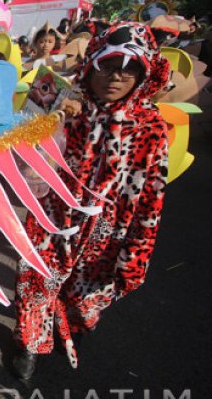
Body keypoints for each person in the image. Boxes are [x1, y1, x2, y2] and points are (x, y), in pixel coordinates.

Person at [9, 22, 172, 380]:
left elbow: (151, 199)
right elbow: (16, 149)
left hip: (108, 229)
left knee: (87, 297)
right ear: (93, 62)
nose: (117, 77)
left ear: (145, 73)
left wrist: (138, 254)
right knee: (36, 280)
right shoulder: (59, 97)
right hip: (52, 214)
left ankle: (73, 327)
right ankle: (30, 342)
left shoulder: (151, 126)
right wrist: (51, 115)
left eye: (130, 69)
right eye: (109, 65)